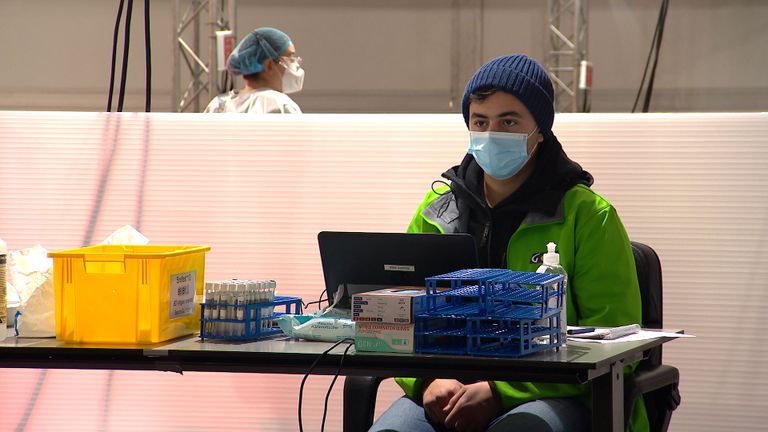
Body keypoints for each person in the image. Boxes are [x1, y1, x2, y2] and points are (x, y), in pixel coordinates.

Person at [369, 54, 646, 432]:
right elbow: (401, 319)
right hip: (447, 387)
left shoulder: (588, 215)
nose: (491, 133)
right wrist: (425, 381)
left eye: (509, 121)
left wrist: (501, 392)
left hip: (559, 393)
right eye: (480, 122)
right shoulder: (438, 212)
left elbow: (616, 342)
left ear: (541, 130)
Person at [204, 27, 304, 114]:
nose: (295, 64)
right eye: (291, 59)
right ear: (269, 65)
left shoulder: (218, 105)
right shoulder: (281, 106)